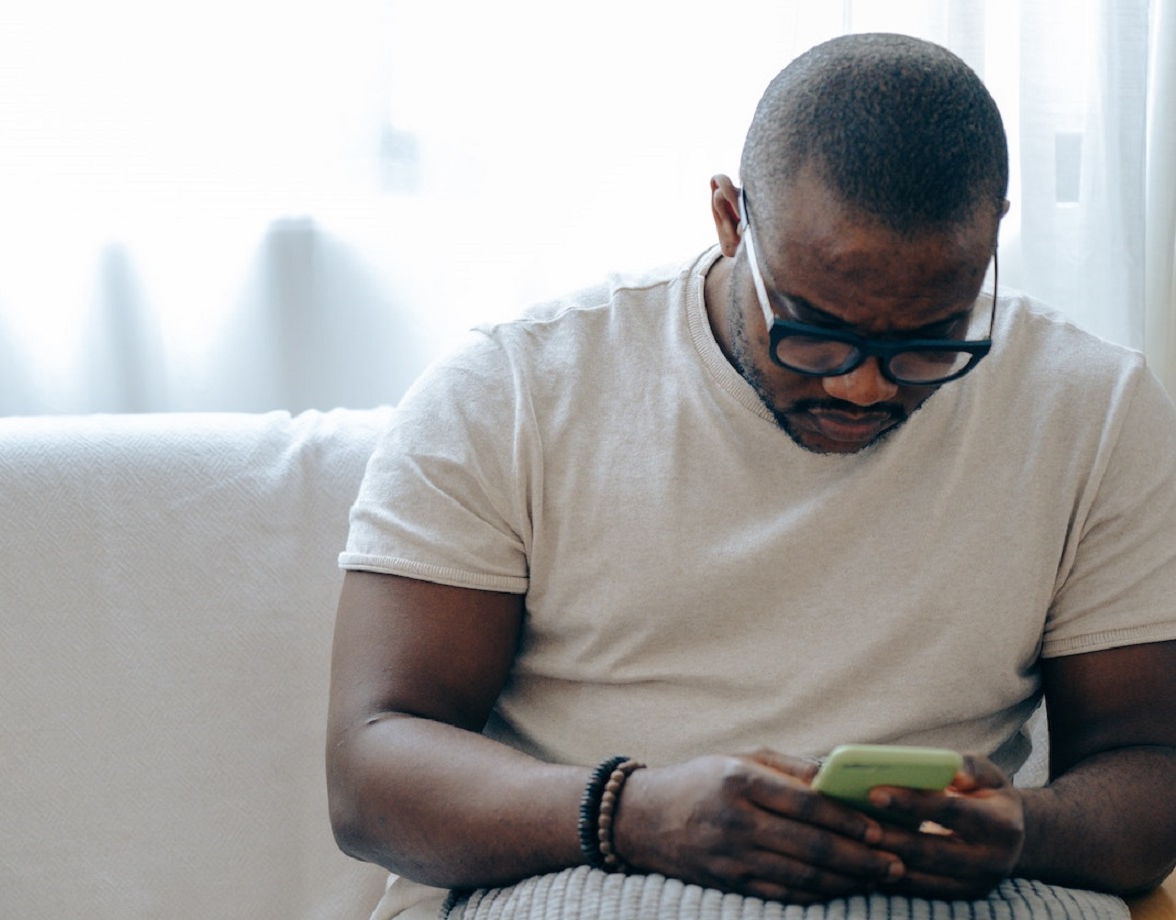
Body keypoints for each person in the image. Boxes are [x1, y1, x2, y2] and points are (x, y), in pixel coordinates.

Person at [326, 32, 1176, 920]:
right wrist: (632, 814)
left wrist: (1025, 831)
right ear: (731, 220)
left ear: (995, 231)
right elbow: (369, 767)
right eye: (813, 329)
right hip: (588, 876)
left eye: (929, 341)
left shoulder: (1098, 409)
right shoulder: (511, 390)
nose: (863, 384)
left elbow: (1148, 763)